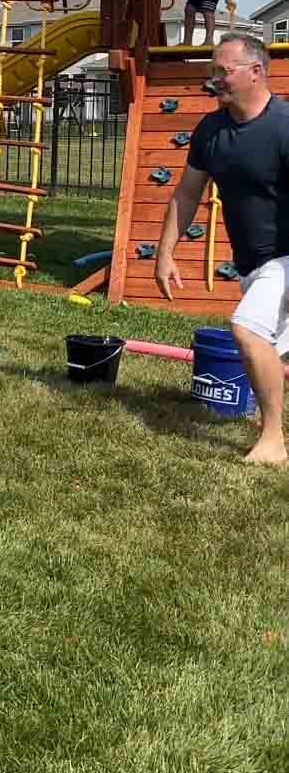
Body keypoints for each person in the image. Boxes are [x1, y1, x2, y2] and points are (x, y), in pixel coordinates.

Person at [155, 32, 289, 466]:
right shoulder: (211, 130)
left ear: (256, 72)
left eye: (223, 70)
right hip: (254, 263)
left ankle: (273, 441)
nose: (215, 79)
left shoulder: (283, 126)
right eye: (212, 70)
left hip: (285, 258)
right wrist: (165, 252)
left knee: (247, 331)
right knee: (271, 352)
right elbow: (187, 193)